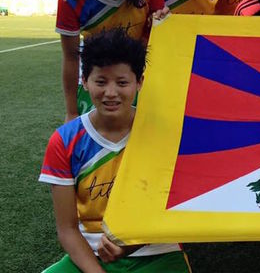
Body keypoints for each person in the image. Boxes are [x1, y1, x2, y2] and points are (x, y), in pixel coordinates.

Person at [39, 28, 191, 273]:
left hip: (155, 248)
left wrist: (131, 244)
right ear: (85, 81)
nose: (111, 93)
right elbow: (67, 229)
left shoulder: (164, 134)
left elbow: (178, 209)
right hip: (92, 253)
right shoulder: (64, 142)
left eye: (122, 82)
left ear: (139, 82)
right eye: (101, 81)